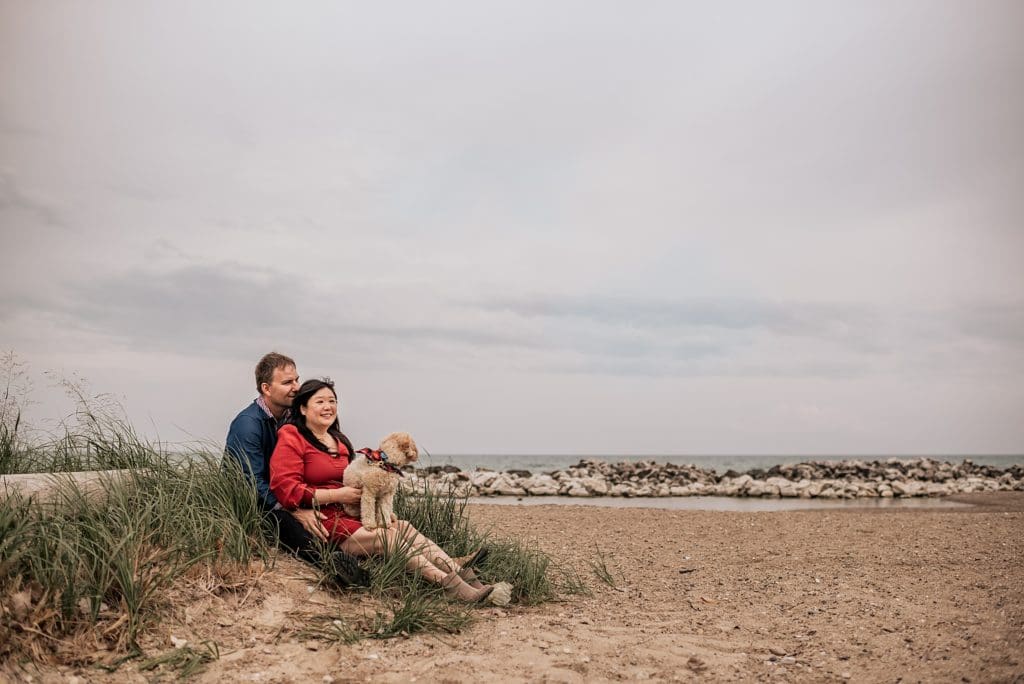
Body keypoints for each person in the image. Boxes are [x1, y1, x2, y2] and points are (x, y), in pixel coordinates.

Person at [269, 378, 494, 603]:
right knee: (387, 537)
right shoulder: (292, 436)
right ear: (303, 408)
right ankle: (450, 586)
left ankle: (465, 576)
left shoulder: (340, 441)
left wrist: (378, 505)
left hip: (351, 512)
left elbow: (359, 480)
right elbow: (285, 488)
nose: (328, 407)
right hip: (322, 520)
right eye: (320, 401)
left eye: (332, 401)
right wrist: (339, 495)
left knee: (403, 526)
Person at [225, 352, 367, 586]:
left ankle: (353, 553)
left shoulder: (292, 416)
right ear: (266, 388)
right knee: (287, 523)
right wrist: (292, 509)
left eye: (296, 380)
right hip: (254, 499)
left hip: (283, 491)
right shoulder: (248, 424)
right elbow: (250, 481)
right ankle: (332, 566)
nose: (296, 387)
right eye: (287, 382)